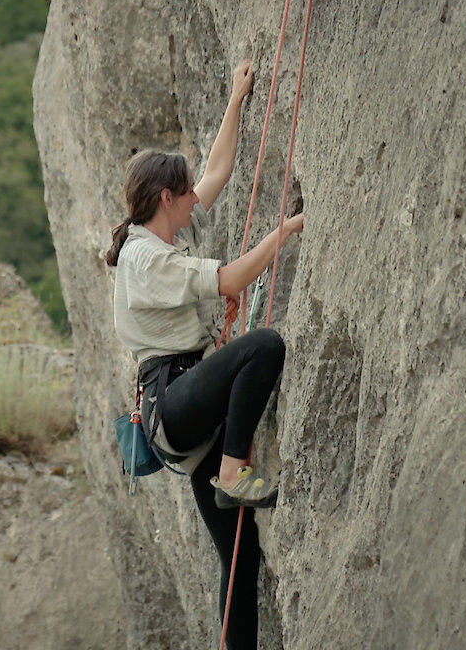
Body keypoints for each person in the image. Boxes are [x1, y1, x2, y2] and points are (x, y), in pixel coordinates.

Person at [104, 59, 304, 649]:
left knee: (238, 564)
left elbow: (218, 169)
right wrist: (287, 230)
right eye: (187, 194)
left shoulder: (157, 235)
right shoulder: (146, 259)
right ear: (167, 197)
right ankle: (233, 469)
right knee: (263, 346)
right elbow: (230, 278)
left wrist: (239, 97)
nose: (197, 200)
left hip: (185, 412)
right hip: (174, 399)